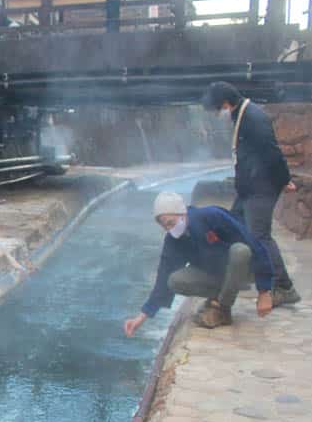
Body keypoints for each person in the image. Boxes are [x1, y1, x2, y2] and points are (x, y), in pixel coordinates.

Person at [201, 81, 299, 306]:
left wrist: (284, 180)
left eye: (217, 111)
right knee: (232, 227)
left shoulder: (254, 118)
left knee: (259, 237)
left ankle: (284, 287)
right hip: (248, 188)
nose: (218, 115)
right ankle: (236, 278)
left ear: (226, 104)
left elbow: (271, 153)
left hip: (261, 188)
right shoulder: (240, 115)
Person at [124, 192, 274, 336]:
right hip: (216, 274)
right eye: (165, 227)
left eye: (171, 223)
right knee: (174, 280)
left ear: (182, 213)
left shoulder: (211, 216)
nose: (170, 229)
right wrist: (142, 317)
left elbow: (254, 244)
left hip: (243, 270)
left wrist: (264, 291)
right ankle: (220, 299)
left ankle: (222, 308)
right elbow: (163, 276)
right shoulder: (173, 240)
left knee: (240, 251)